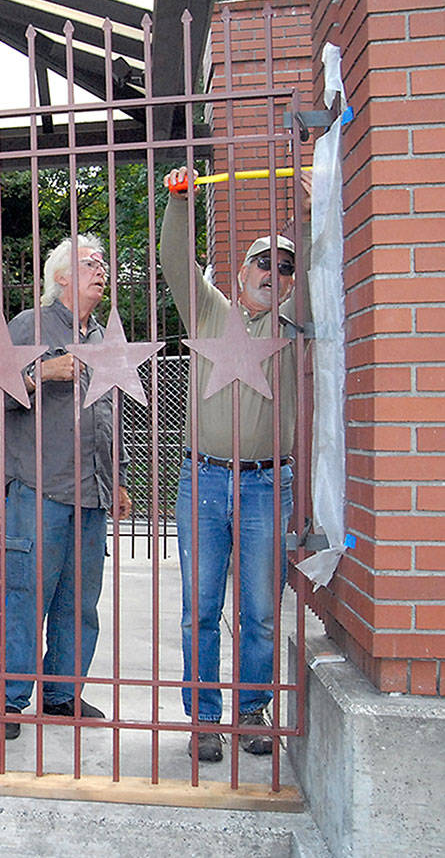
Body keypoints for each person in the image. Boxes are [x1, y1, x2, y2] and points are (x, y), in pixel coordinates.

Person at [159, 165, 310, 762]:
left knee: (261, 612)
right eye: (263, 263)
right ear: (242, 271)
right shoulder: (209, 311)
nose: (273, 274)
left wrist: (311, 212)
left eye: (285, 267)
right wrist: (181, 201)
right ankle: (204, 719)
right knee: (200, 608)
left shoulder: (296, 320)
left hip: (268, 484)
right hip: (204, 479)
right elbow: (174, 257)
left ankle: (252, 710)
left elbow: (322, 267)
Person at [0, 236, 132, 739]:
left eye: (103, 263)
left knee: (80, 603)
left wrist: (115, 481)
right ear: (62, 277)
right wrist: (38, 373)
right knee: (27, 598)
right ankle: (10, 701)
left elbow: (108, 415)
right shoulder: (30, 324)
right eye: (91, 263)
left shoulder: (100, 338)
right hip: (37, 489)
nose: (102, 270)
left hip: (90, 494)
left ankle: (61, 695)